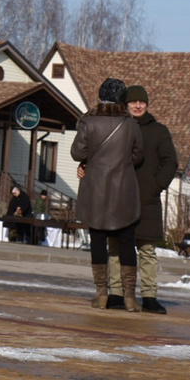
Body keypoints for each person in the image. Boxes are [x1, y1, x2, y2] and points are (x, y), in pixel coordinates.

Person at [67, 77, 143, 309]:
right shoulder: (130, 124)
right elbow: (138, 155)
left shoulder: (88, 122)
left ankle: (101, 293)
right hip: (124, 191)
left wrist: (90, 162)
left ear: (100, 97)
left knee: (97, 241)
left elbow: (77, 152)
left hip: (95, 190)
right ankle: (129, 297)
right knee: (127, 242)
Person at [123, 83, 179, 314]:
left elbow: (171, 162)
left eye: (141, 102)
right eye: (133, 102)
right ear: (126, 104)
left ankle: (149, 296)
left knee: (147, 251)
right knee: (118, 250)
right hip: (120, 198)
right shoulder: (119, 127)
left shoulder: (159, 131)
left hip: (148, 200)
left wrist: (156, 186)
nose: (137, 106)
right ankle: (117, 294)